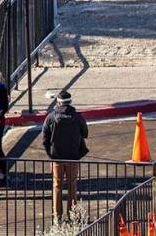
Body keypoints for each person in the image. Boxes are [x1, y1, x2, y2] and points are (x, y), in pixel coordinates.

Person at [42, 91, 89, 219]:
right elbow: (85, 132)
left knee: (57, 185)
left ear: (58, 102)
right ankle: (72, 214)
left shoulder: (51, 117)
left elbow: (44, 138)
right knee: (72, 185)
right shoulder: (77, 117)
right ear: (70, 102)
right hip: (73, 157)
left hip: (56, 157)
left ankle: (57, 215)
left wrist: (50, 155)